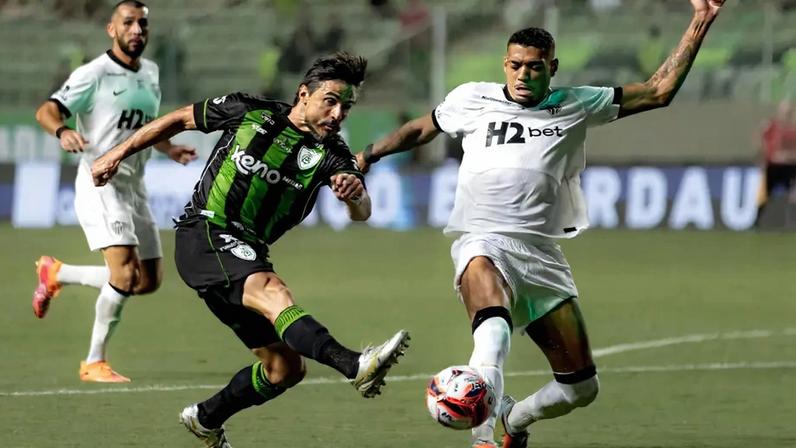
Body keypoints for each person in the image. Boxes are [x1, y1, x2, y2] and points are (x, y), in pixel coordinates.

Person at [356, 1, 726, 446]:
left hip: (542, 255)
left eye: (534, 67)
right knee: (492, 332)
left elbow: (658, 90)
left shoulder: (576, 103)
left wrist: (701, 18)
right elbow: (421, 129)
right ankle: (484, 438)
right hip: (483, 240)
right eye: (515, 65)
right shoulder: (472, 98)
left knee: (581, 388)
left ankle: (515, 420)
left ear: (552, 68)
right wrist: (369, 155)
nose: (523, 74)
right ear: (504, 64)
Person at [91, 51, 410, 447]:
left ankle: (205, 419)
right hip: (205, 233)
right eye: (331, 100)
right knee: (274, 291)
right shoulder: (250, 111)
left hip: (246, 254)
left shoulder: (334, 154)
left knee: (284, 369)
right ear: (304, 94)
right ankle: (354, 364)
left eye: (347, 106)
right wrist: (115, 153)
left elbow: (363, 211)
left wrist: (354, 195)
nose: (338, 112)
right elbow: (178, 120)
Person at [32, 0, 197, 383]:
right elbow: (47, 109)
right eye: (129, 23)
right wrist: (63, 131)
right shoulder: (95, 73)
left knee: (148, 280)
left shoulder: (151, 72)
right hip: (100, 183)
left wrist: (168, 148)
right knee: (123, 275)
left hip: (135, 187)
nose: (137, 30)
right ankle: (93, 362)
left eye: (142, 24)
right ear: (112, 29)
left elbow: (145, 125)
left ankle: (56, 273)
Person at [755, 99, 796, 227]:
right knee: (765, 195)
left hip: (789, 167)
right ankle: (756, 222)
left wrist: (789, 156)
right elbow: (760, 141)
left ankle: (792, 223)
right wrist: (763, 158)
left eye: (788, 111)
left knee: (793, 194)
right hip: (772, 166)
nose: (786, 114)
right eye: (784, 111)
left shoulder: (793, 130)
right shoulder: (771, 125)